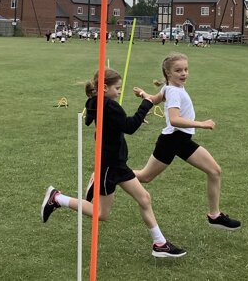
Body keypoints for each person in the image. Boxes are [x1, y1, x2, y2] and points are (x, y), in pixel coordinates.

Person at [41, 68, 186, 258]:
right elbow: (129, 127)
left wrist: (131, 119)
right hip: (110, 165)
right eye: (117, 88)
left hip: (117, 163)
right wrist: (147, 103)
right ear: (104, 87)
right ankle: (57, 198)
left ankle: (160, 244)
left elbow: (117, 124)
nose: (119, 91)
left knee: (144, 198)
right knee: (102, 214)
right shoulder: (109, 106)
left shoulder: (98, 103)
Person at [133, 53, 241, 231]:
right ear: (168, 73)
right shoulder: (174, 91)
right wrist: (202, 124)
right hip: (172, 140)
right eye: (178, 70)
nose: (184, 73)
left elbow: (154, 100)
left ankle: (214, 216)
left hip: (181, 140)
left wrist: (143, 94)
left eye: (185, 69)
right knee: (145, 176)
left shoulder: (169, 88)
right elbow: (175, 120)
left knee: (214, 171)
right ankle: (108, 173)